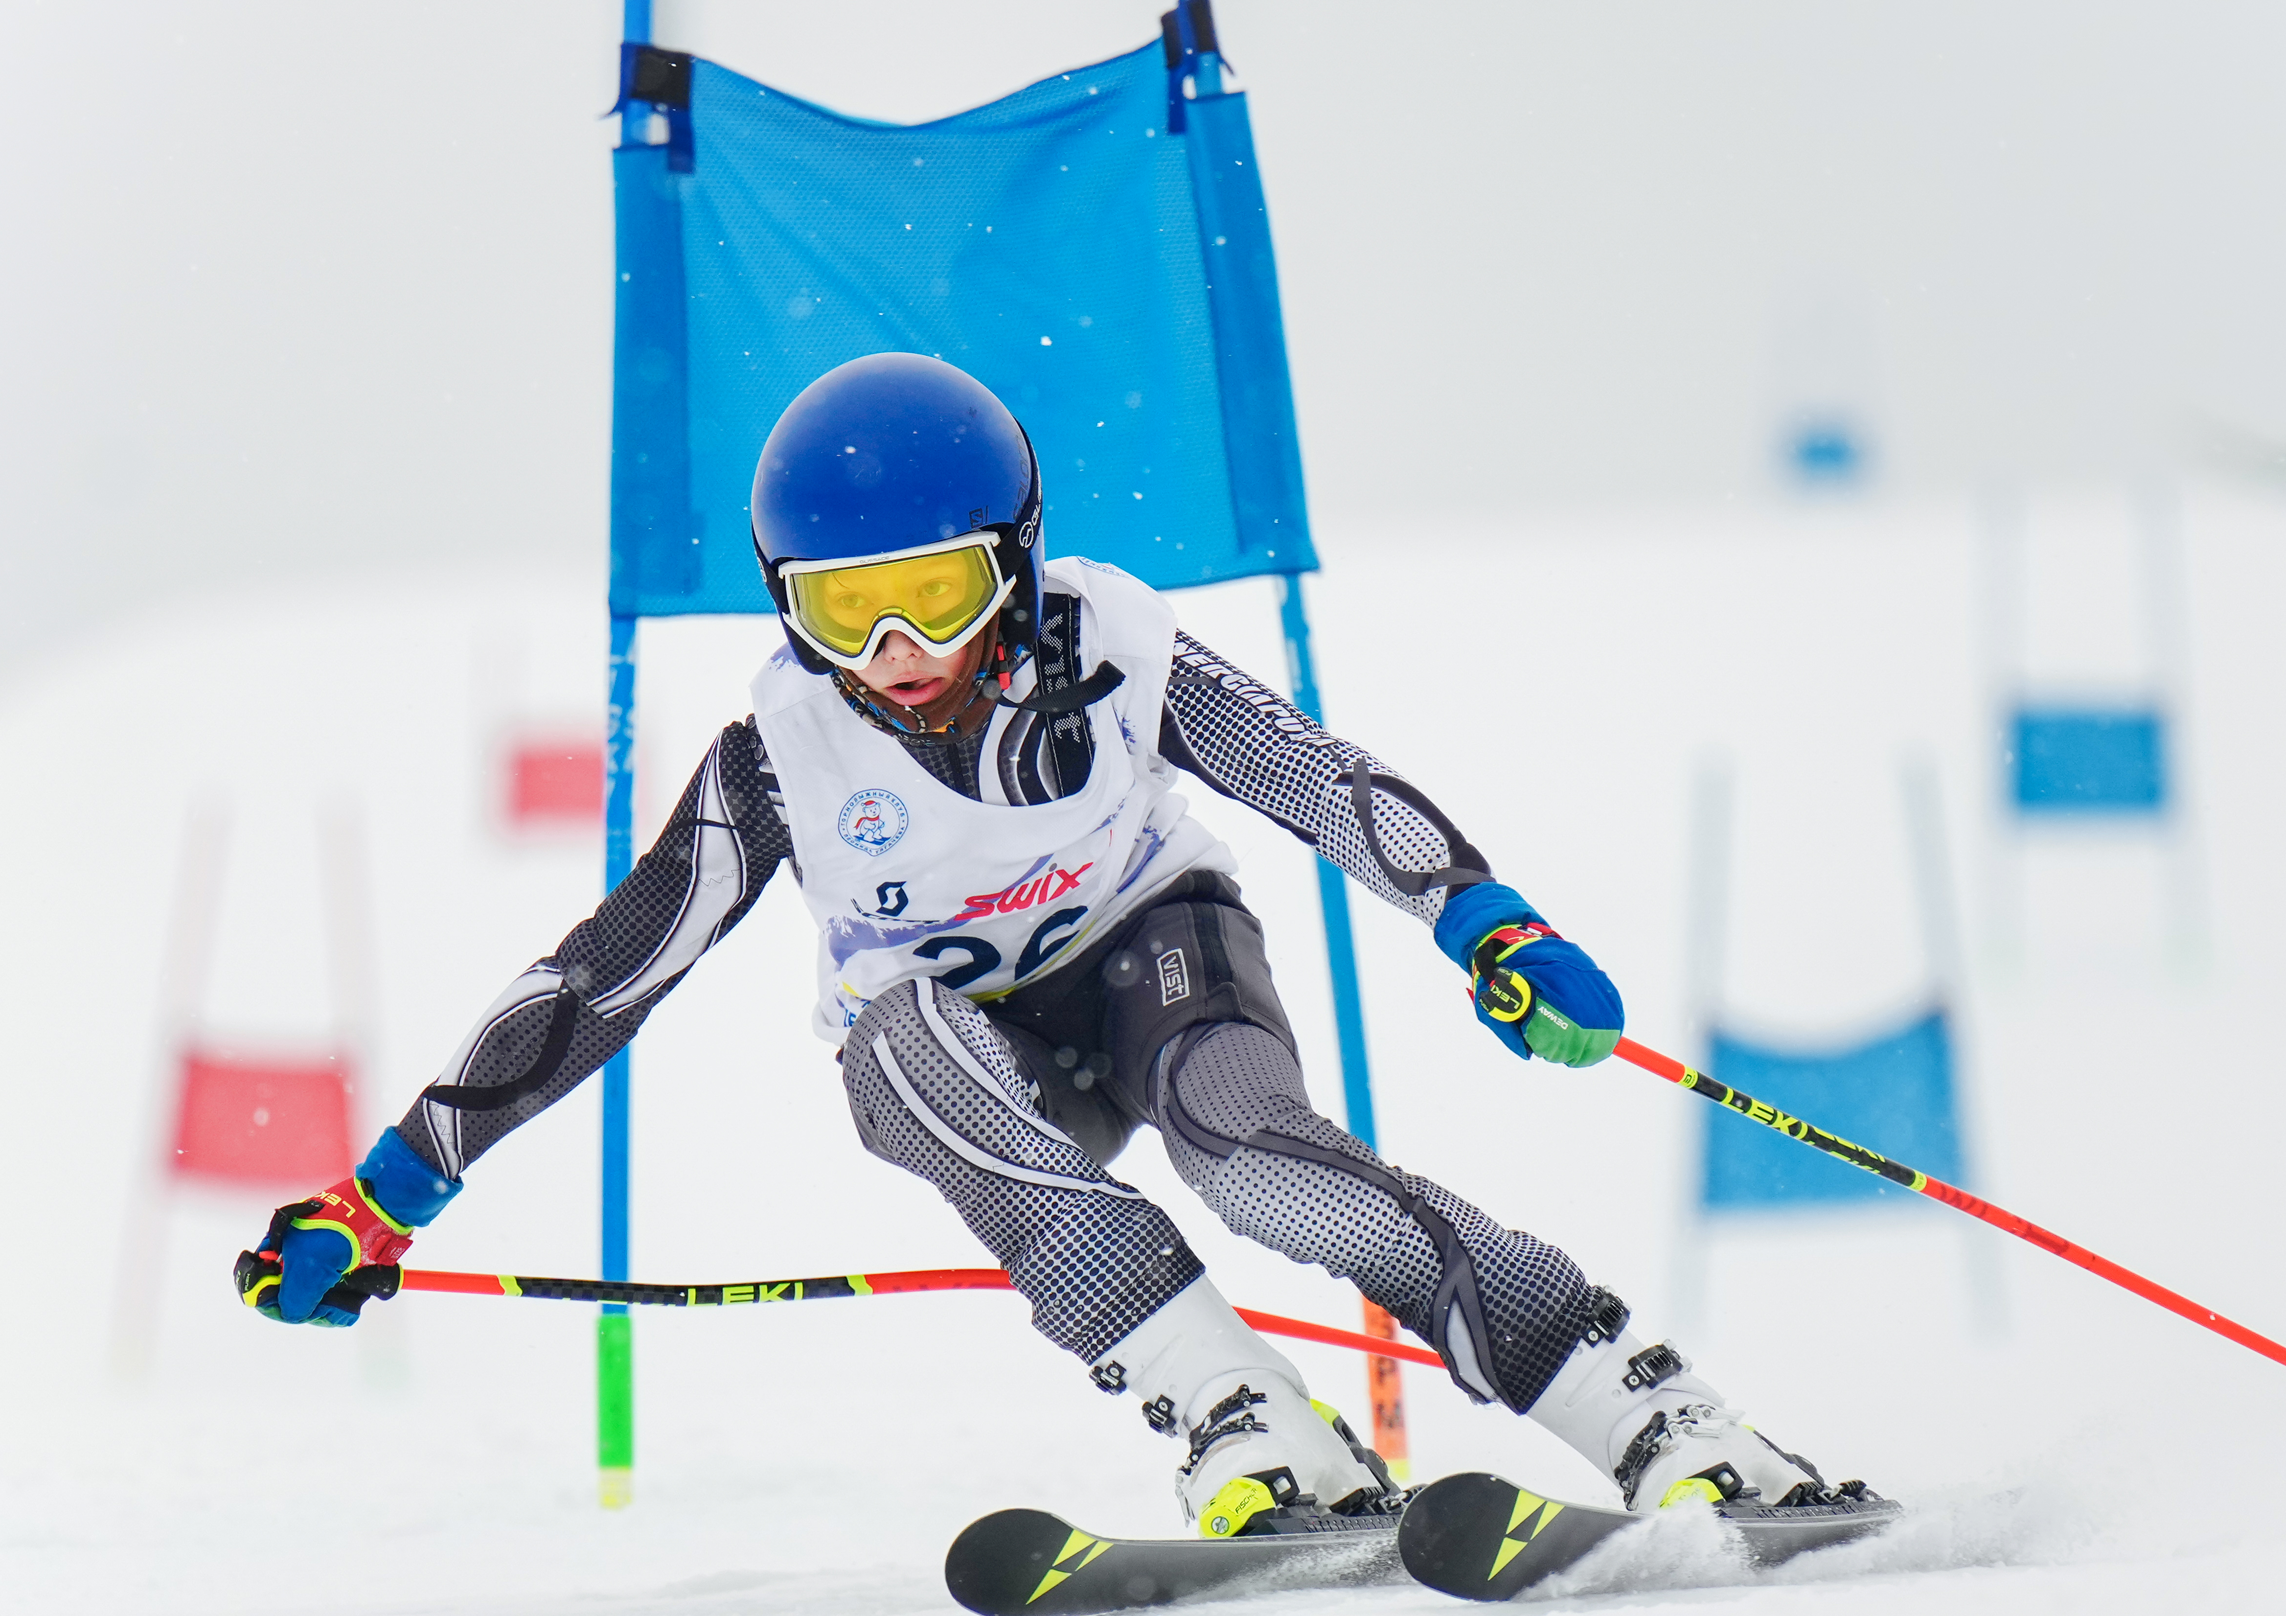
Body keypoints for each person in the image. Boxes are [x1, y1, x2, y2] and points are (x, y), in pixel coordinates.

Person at [236, 353, 1864, 1535]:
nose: (897, 653)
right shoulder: (779, 758)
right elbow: (605, 976)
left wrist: (1483, 914)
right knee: (897, 1048)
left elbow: (1315, 775)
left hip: (1160, 954)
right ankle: (1244, 1413)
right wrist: (394, 1182)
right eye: (841, 608)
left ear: (1011, 559)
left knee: (1256, 1162)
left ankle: (1648, 1409)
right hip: (976, 1044)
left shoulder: (1114, 645)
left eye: (937, 591)